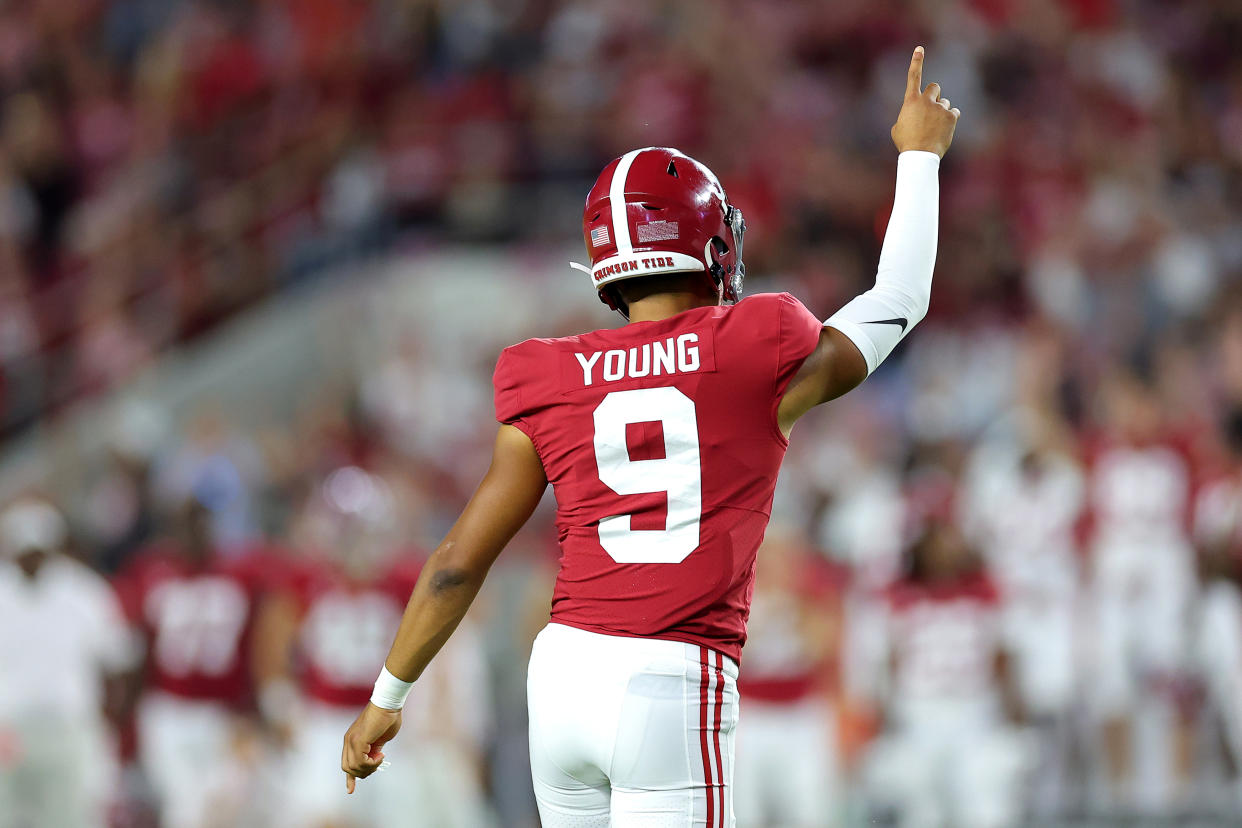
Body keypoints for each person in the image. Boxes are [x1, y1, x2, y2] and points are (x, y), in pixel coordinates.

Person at [342, 46, 959, 826]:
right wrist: (918, 159)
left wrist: (385, 698)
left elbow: (455, 565)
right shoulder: (757, 341)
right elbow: (900, 296)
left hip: (562, 677)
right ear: (709, 243)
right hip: (671, 678)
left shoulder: (547, 371)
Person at [0, 497, 136, 828]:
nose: (31, 560)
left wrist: (106, 722)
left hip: (68, 723)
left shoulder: (84, 592)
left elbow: (118, 661)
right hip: (8, 725)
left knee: (69, 817)